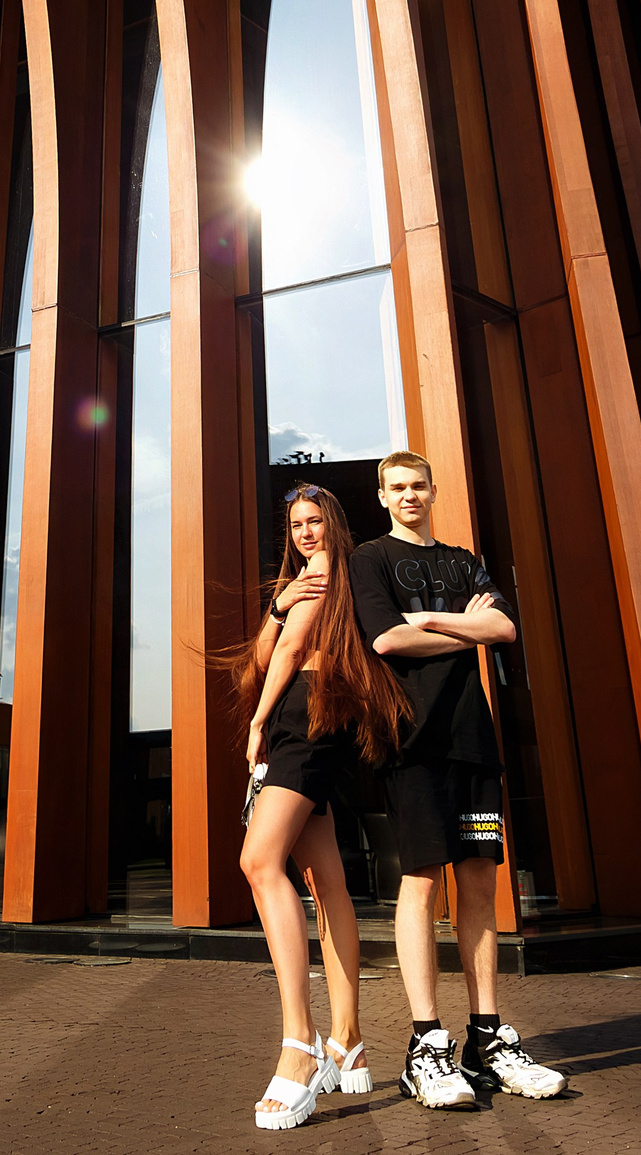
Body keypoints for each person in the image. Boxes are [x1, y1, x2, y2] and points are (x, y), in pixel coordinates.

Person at [351, 450, 566, 1108]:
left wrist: (429, 620)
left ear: (433, 491)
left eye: (418, 485)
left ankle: (488, 1039)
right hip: (411, 743)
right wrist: (465, 629)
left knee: (478, 879)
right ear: (383, 495)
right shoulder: (370, 558)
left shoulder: (462, 559)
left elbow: (504, 626)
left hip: (473, 743)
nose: (409, 495)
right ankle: (426, 1044)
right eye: (397, 487)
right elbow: (387, 641)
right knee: (421, 881)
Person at [237, 484, 410, 1131]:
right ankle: (348, 1040)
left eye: (314, 520)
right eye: (296, 525)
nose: (306, 532)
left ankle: (300, 1044)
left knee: (259, 862)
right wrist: (278, 604)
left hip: (304, 718)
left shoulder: (329, 568)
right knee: (323, 879)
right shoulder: (310, 580)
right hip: (319, 715)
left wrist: (258, 723)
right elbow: (265, 654)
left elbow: (278, 658)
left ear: (332, 522)